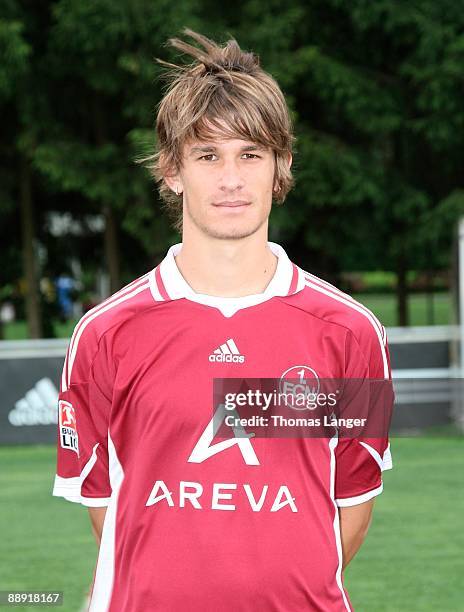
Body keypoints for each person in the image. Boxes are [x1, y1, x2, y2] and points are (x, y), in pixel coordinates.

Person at [53, 28, 393, 611]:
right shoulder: (106, 333)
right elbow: (106, 507)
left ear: (280, 167)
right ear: (172, 170)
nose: (231, 179)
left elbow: (354, 500)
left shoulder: (351, 332)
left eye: (250, 155)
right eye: (207, 156)